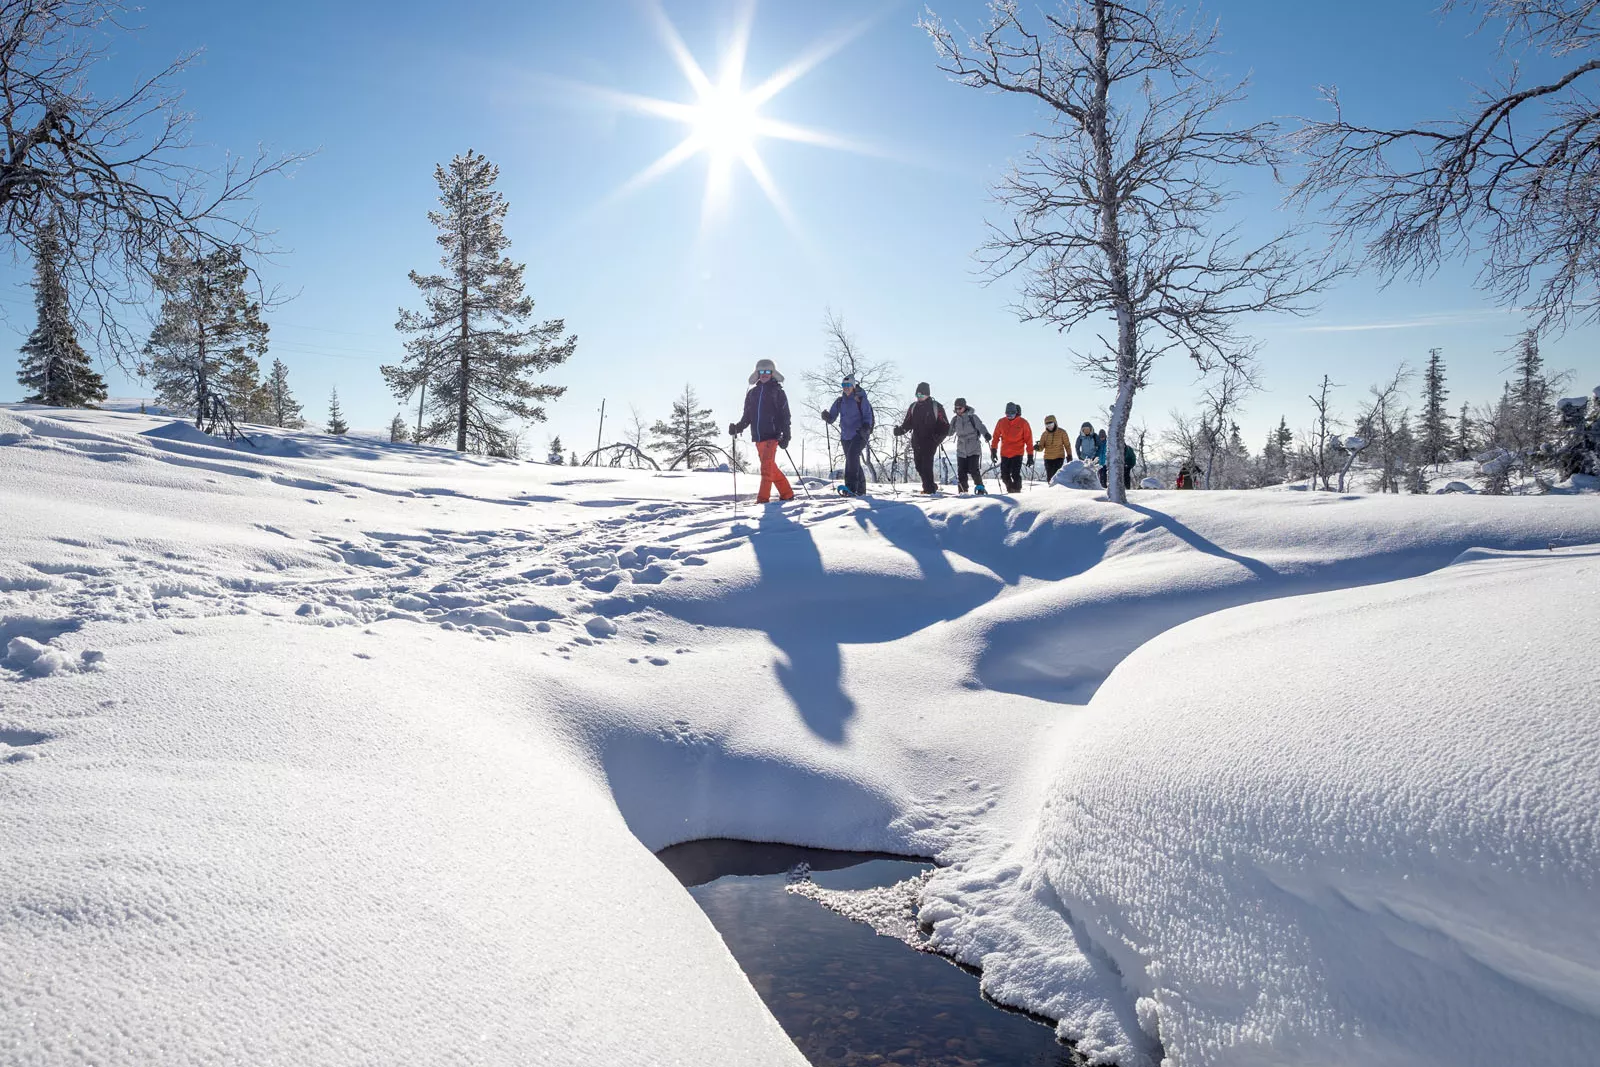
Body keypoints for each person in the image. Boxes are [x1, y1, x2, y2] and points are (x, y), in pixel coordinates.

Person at [728, 358, 793, 503]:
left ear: (772, 373)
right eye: (761, 371)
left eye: (767, 371)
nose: (764, 374)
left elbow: (785, 415)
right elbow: (747, 417)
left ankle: (762, 500)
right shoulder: (752, 393)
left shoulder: (778, 392)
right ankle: (787, 493)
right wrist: (737, 428)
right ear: (757, 374)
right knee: (770, 468)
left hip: (773, 435)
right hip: (758, 437)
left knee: (766, 470)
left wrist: (786, 436)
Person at [820, 374, 874, 496]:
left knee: (851, 458)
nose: (846, 387)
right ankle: (861, 491)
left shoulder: (861, 399)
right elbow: (832, 418)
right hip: (845, 436)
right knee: (853, 460)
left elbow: (867, 416)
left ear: (853, 386)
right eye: (843, 385)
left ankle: (850, 488)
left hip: (860, 434)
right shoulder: (840, 401)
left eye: (848, 385)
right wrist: (826, 416)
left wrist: (866, 427)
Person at [893, 382, 950, 494]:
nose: (919, 397)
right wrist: (900, 430)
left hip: (931, 441)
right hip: (917, 441)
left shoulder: (936, 407)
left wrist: (937, 438)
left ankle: (929, 490)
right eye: (917, 395)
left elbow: (945, 426)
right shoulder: (913, 407)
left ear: (928, 395)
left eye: (921, 395)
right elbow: (907, 423)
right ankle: (931, 485)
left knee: (926, 466)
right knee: (919, 466)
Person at [989, 402, 1033, 493]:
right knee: (1004, 476)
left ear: (1016, 413)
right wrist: (993, 450)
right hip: (1005, 453)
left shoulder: (1023, 423)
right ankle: (1010, 490)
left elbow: (1029, 440)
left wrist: (1030, 456)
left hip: (1017, 453)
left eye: (1011, 414)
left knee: (1015, 475)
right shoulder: (1001, 422)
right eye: (1007, 414)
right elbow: (996, 436)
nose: (1009, 416)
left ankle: (1017, 491)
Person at [948, 397, 989, 494]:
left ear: (965, 407)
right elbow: (949, 432)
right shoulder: (955, 420)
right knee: (961, 471)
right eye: (956, 408)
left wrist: (986, 434)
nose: (958, 410)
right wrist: (940, 431)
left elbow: (981, 426)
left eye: (960, 408)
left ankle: (980, 488)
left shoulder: (972, 417)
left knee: (973, 469)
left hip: (973, 447)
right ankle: (963, 491)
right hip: (961, 449)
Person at [1035, 415, 1072, 482]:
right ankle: (1051, 490)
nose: (1049, 427)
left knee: (1056, 476)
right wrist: (1037, 448)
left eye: (1051, 425)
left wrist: (1069, 455)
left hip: (1059, 457)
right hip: (1048, 458)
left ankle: (1058, 490)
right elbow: (1041, 447)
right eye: (1047, 426)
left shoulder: (1062, 432)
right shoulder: (1044, 434)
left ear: (1055, 423)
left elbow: (1067, 445)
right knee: (1049, 477)